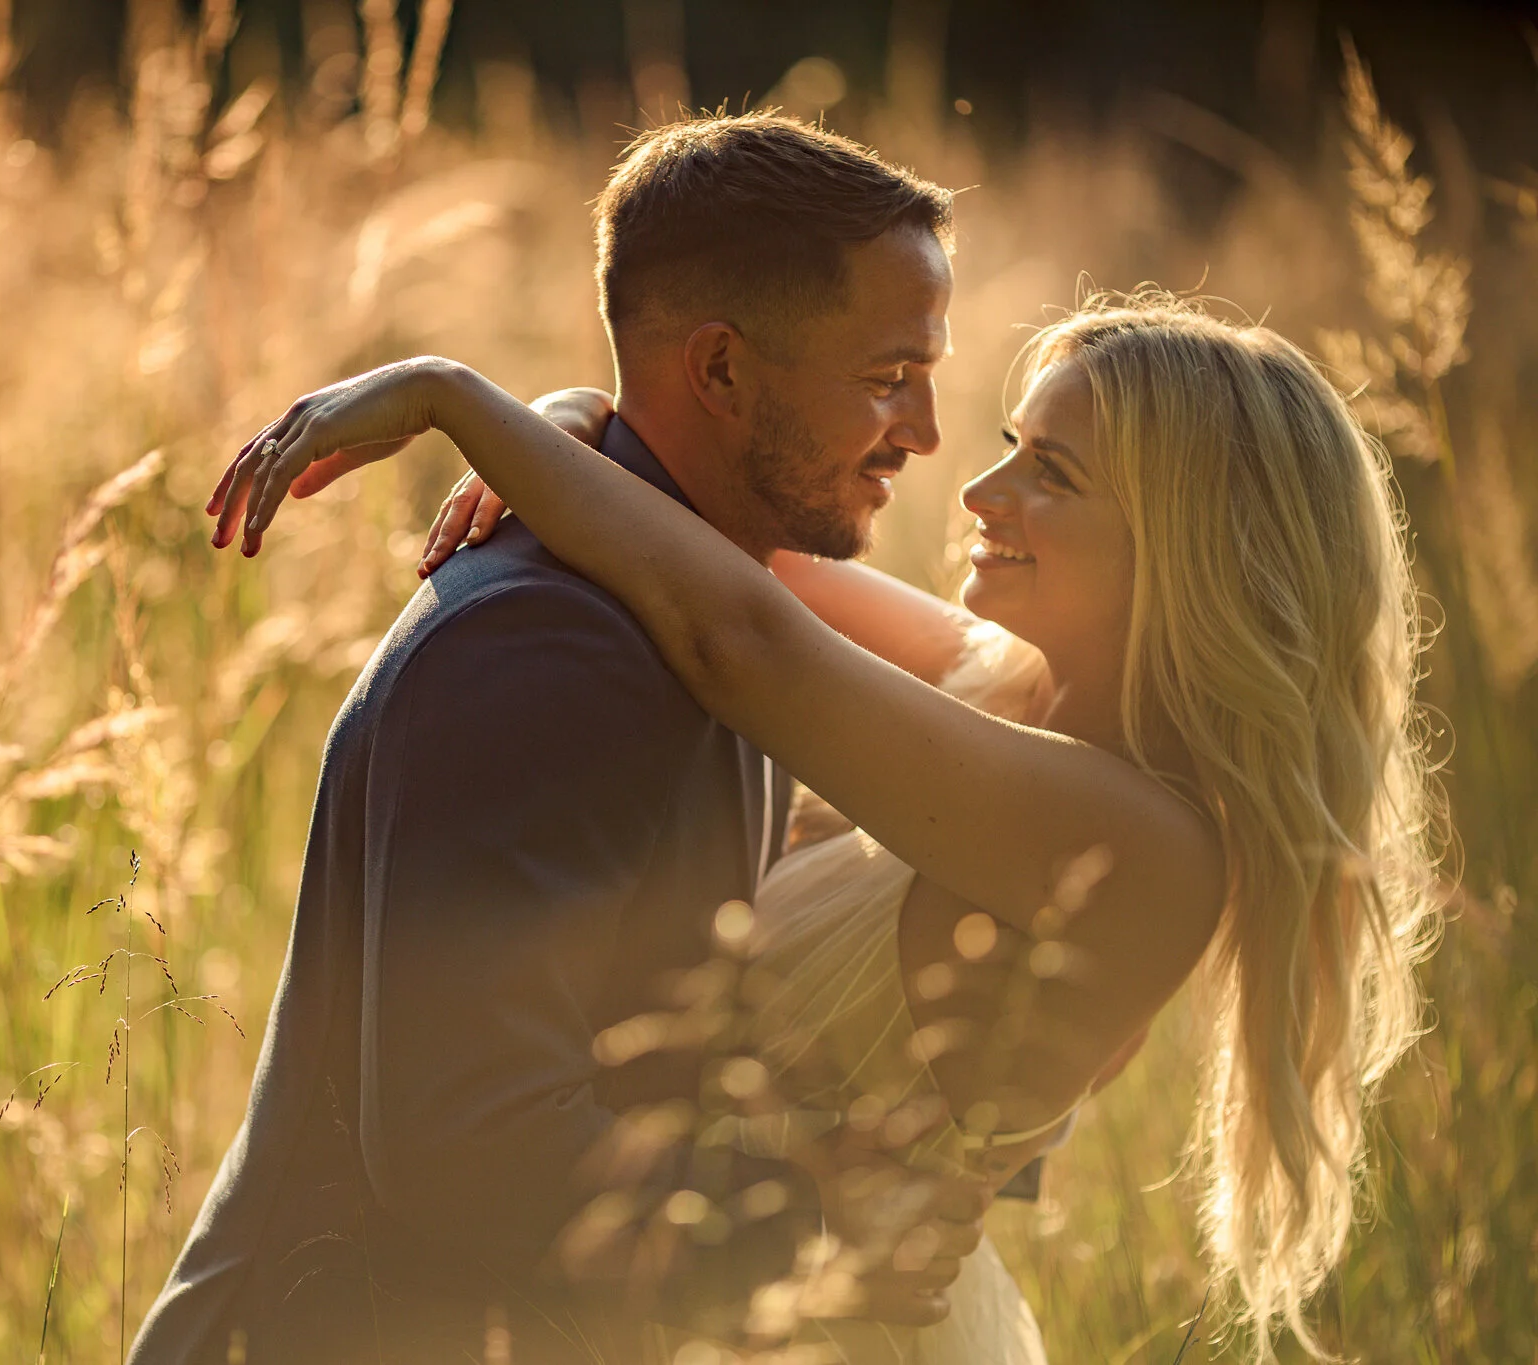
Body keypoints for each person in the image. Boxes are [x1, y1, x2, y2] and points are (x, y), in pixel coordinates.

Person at [207, 285, 1443, 1361]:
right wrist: (586, 415)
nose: (977, 487)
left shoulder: (1141, 847)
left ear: (1192, 555)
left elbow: (739, 638)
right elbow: (716, 542)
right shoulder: (999, 680)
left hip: (825, 1327)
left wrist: (452, 399)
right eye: (1014, 441)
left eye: (1048, 474)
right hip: (686, 1285)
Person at [129, 116, 997, 1365]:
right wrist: (815, 1227)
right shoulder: (550, 652)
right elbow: (468, 1137)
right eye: (883, 376)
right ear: (720, 371)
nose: (920, 430)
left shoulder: (691, 608)